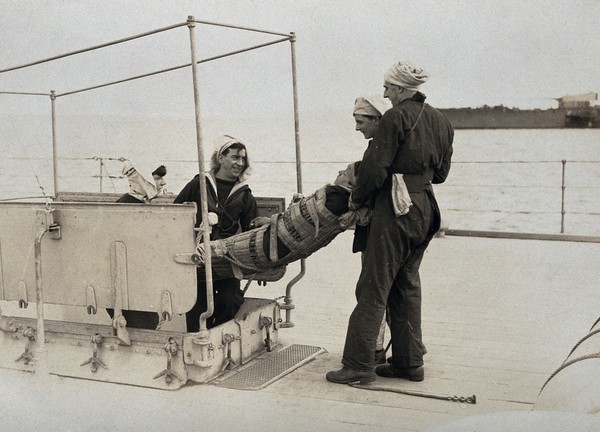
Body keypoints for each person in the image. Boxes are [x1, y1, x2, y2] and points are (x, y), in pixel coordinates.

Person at [326, 59, 454, 384]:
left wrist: (356, 200)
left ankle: (357, 365)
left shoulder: (396, 117)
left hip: (395, 211)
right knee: (406, 284)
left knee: (374, 285)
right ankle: (409, 363)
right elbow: (440, 175)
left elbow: (374, 171)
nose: (383, 94)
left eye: (386, 88)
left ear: (399, 88)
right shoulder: (442, 121)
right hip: (425, 209)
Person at [174, 135, 259, 331]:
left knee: (230, 300)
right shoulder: (199, 185)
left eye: (243, 159)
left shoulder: (245, 194)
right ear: (221, 158)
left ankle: (217, 340)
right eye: (235, 157)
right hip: (197, 258)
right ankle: (196, 343)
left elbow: (251, 230)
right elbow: (176, 214)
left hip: (226, 260)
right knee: (196, 305)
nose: (240, 163)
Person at [352, 95, 392, 365]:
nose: (357, 128)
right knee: (393, 290)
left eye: (360, 121)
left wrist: (355, 198)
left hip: (377, 229)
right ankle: (406, 346)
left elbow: (369, 184)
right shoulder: (394, 146)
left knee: (370, 290)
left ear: (377, 120)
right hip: (394, 229)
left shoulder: (377, 148)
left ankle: (371, 353)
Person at [108, 162, 167, 329]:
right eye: (158, 178)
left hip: (132, 287)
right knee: (145, 324)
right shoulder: (128, 207)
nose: (163, 183)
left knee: (148, 322)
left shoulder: (133, 204)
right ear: (141, 179)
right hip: (125, 290)